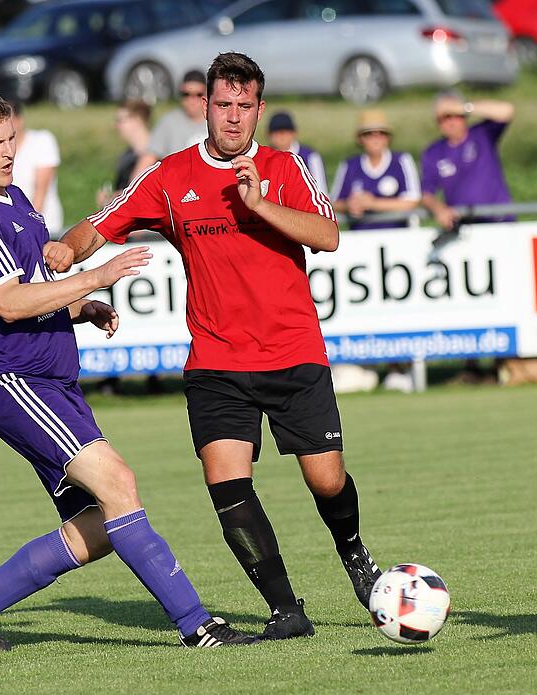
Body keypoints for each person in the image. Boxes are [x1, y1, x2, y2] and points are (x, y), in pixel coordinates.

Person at [50, 52, 382, 640]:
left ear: (258, 109)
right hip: (216, 360)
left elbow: (328, 236)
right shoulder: (171, 176)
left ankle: (353, 552)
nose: (232, 118)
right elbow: (103, 223)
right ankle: (287, 611)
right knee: (227, 488)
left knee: (326, 480)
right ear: (204, 105)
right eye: (222, 105)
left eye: (244, 106)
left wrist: (258, 204)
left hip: (293, 352)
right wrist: (66, 251)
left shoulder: (285, 167)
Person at [0, 90, 256, 652]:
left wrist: (81, 308)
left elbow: (37, 291)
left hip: (52, 382)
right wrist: (94, 277)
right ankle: (198, 624)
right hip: (19, 382)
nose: (8, 153)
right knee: (120, 484)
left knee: (100, 528)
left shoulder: (14, 199)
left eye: (12, 139)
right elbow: (9, 303)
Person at [421, 93, 515, 230]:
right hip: (463, 226)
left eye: (455, 116)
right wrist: (439, 209)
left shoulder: (481, 134)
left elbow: (507, 110)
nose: (450, 122)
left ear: (464, 116)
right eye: (444, 118)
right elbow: (426, 192)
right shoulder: (434, 152)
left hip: (499, 221)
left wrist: (464, 107)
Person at [331, 109, 421, 230]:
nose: (376, 138)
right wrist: (350, 205)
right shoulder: (349, 165)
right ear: (359, 139)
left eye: (381, 133)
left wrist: (373, 204)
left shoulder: (401, 160)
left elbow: (412, 200)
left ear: (388, 137)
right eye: (368, 134)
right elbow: (333, 203)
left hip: (397, 235)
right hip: (360, 235)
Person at [135, 70, 208, 175]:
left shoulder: (215, 122)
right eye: (186, 94)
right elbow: (148, 159)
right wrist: (130, 189)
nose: (192, 99)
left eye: (198, 94)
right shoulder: (169, 122)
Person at [10, 101, 63, 235]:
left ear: (19, 119)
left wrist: (27, 229)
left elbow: (40, 192)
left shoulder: (42, 141)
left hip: (43, 228)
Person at [97, 100, 152, 208]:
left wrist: (111, 199)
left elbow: (138, 196)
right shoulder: (126, 156)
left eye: (120, 121)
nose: (115, 126)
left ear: (137, 120)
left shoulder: (158, 155)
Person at [267, 111, 328, 192]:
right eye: (276, 133)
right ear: (269, 135)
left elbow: (321, 191)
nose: (281, 137)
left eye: (285, 132)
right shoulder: (265, 158)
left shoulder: (310, 157)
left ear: (294, 133)